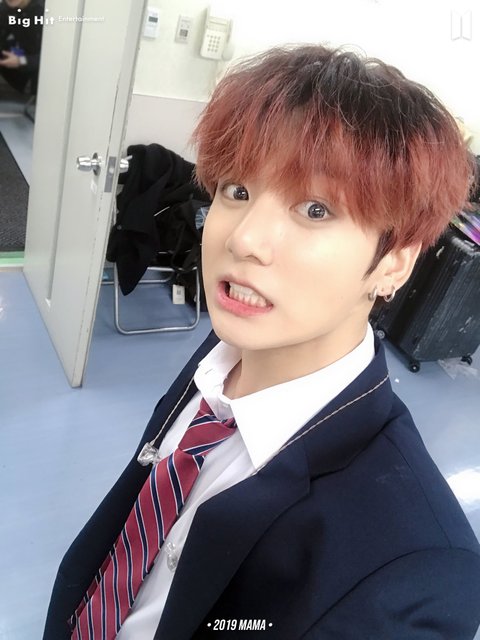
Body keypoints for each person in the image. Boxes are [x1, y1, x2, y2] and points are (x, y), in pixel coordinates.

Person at [43, 45, 480, 639]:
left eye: (315, 209)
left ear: (394, 262)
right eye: (237, 190)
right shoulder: (225, 354)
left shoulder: (413, 570)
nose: (244, 238)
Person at [0, 0, 44, 95]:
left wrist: (21, 61)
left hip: (43, 63)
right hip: (21, 53)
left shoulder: (45, 10)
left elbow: (52, 56)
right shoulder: (5, 8)